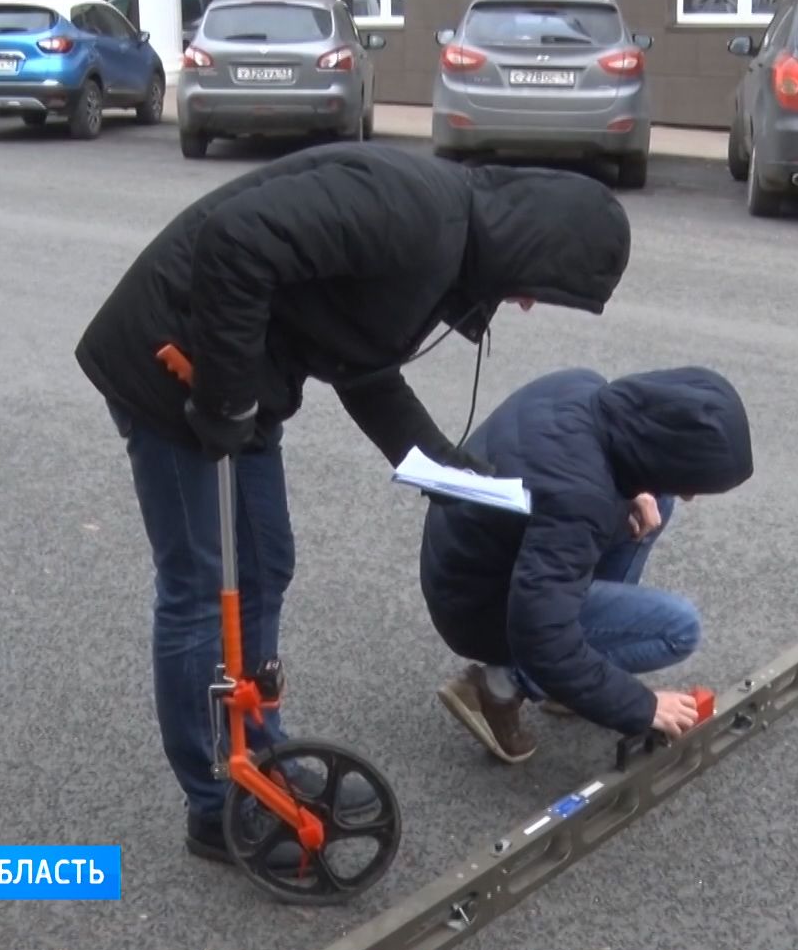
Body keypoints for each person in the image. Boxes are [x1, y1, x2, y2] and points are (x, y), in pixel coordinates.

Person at [74, 142, 632, 861]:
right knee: (203, 591)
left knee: (266, 565)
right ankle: (217, 803)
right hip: (174, 372)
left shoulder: (445, 253)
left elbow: (358, 362)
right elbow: (236, 238)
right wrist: (223, 396)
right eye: (540, 287)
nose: (525, 303)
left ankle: (260, 751)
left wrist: (441, 466)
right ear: (533, 245)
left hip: (238, 388)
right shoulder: (413, 214)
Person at [417, 366, 754, 763]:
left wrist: (636, 489)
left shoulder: (583, 387)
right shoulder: (581, 499)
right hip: (478, 607)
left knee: (655, 499)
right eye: (693, 481)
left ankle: (578, 676)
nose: (693, 496)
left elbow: (569, 490)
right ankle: (501, 686)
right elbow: (540, 635)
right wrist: (641, 707)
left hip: (466, 558)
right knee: (678, 628)